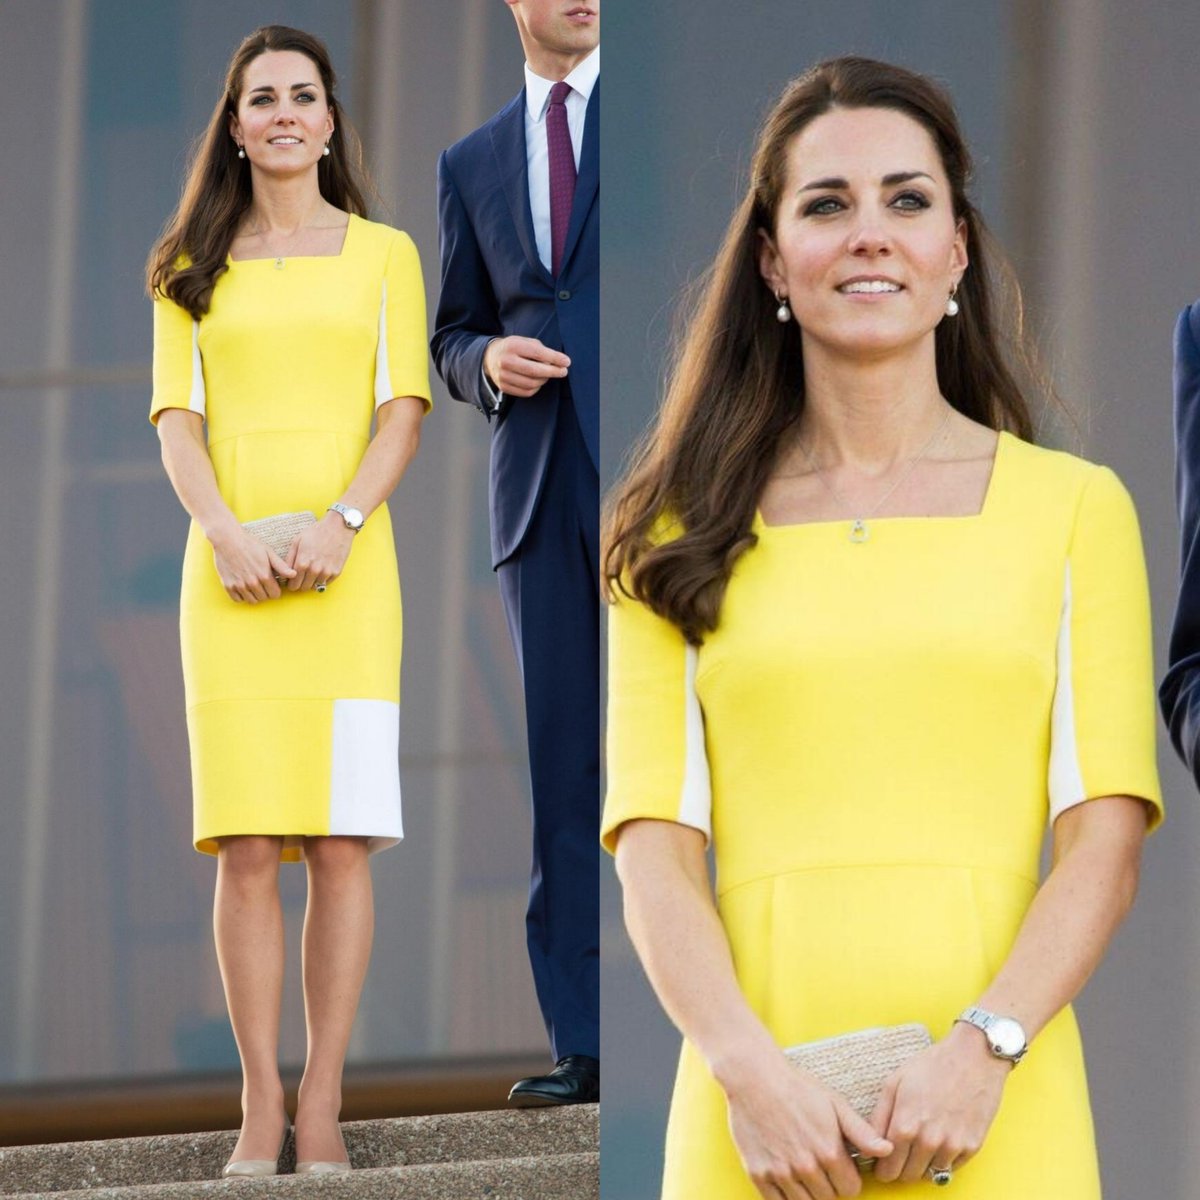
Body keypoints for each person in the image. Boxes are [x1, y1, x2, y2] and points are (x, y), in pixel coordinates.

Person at [602, 57, 1160, 1199]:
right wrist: (748, 1080)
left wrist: (984, 1050)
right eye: (826, 205)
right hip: (752, 1127)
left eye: (908, 200)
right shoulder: (673, 534)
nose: (870, 234)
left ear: (956, 249)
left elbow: (1103, 838)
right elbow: (654, 849)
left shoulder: (1076, 510)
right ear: (771, 259)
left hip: (997, 1114)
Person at [146, 25, 429, 1178]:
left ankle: (324, 1105)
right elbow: (178, 420)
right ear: (235, 123)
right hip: (226, 583)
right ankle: (260, 1105)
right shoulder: (185, 266)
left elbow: (401, 408)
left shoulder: (386, 253)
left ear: (328, 118)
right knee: (250, 845)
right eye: (260, 98)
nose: (282, 115)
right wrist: (223, 537)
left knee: (344, 842)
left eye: (301, 96)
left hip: (349, 581)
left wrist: (340, 525)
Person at [431, 0, 599, 1105]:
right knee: (563, 771)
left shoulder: (663, 120)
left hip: (669, 472)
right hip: (537, 490)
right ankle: (585, 1042)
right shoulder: (471, 159)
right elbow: (449, 333)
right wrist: (489, 359)